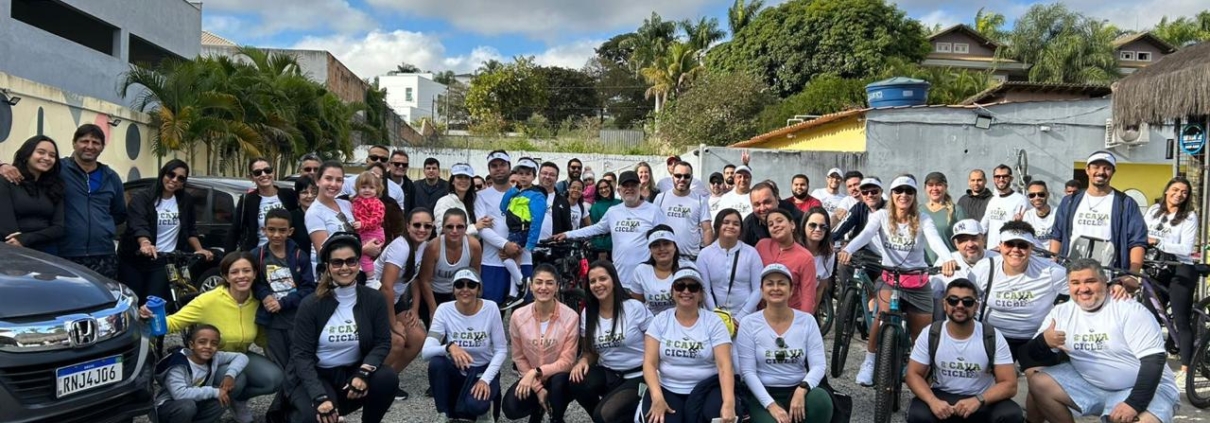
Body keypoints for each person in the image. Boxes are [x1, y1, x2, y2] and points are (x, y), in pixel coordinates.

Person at [838, 175, 958, 387]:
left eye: (908, 191)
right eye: (898, 191)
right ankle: (870, 361)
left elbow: (934, 240)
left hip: (917, 280)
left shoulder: (923, 219)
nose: (903, 195)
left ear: (914, 195)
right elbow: (866, 234)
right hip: (890, 278)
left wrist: (948, 258)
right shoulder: (882, 216)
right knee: (881, 317)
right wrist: (848, 249)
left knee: (921, 336)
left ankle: (920, 371)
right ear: (891, 195)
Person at [1026, 259, 1179, 423]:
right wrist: (1044, 341)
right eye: (1075, 283)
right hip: (1091, 386)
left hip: (1145, 388)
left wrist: (1134, 403)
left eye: (1090, 281)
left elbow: (1154, 361)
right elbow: (1029, 355)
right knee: (1039, 383)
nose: (1083, 289)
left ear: (1105, 282)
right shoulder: (1061, 313)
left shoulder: (1128, 310)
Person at [139, 252, 284, 423]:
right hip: (211, 359)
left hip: (239, 355)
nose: (241, 276)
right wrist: (147, 316)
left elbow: (261, 339)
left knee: (275, 378)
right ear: (225, 276)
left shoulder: (257, 301)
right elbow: (172, 323)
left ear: (254, 274)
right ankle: (210, 407)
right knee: (238, 380)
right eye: (235, 272)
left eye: (246, 271)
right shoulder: (208, 300)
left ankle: (236, 400)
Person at [289, 233, 397, 423]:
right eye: (337, 263)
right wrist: (319, 396)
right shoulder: (311, 304)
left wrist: (364, 373)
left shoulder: (374, 299)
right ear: (328, 267)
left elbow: (382, 342)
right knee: (314, 417)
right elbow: (301, 355)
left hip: (352, 372)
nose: (345, 267)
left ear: (359, 264)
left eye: (351, 261)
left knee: (387, 378)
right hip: (319, 374)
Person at [0, 124, 126, 278]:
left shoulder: (111, 177)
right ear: (74, 143)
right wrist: (3, 165)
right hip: (65, 253)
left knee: (104, 299)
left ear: (102, 147)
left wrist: (103, 226)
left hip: (104, 253)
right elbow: (28, 168)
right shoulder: (58, 170)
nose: (90, 146)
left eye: (96, 143)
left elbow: (119, 213)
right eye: (84, 141)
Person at [904, 279, 1022, 423]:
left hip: (980, 400)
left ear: (976, 306)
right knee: (917, 414)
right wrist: (932, 401)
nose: (960, 305)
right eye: (953, 300)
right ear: (944, 304)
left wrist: (979, 400)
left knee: (1011, 414)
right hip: (942, 398)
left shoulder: (991, 335)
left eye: (967, 302)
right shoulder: (931, 333)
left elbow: (1010, 384)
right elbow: (912, 375)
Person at [736, 264, 834, 423]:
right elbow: (747, 372)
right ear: (761, 291)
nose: (776, 288)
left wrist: (802, 389)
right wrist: (771, 405)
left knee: (821, 401)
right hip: (764, 392)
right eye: (770, 284)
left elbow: (819, 365)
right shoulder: (749, 323)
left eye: (781, 283)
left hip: (798, 386)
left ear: (791, 289)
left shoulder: (807, 321)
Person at [640, 267, 738, 423]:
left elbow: (724, 365)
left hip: (707, 388)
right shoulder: (660, 320)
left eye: (693, 287)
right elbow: (649, 363)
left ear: (700, 295)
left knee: (719, 416)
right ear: (672, 292)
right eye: (680, 286)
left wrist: (729, 402)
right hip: (668, 387)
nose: (686, 291)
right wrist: (657, 397)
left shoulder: (714, 322)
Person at [249, 208, 316, 421]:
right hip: (272, 323)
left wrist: (284, 302)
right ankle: (286, 409)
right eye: (271, 230)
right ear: (264, 229)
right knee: (281, 367)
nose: (276, 235)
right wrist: (265, 296)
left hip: (295, 320)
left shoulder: (299, 255)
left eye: (282, 230)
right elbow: (255, 283)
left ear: (291, 231)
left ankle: (281, 410)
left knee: (295, 366)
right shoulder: (257, 255)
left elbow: (308, 287)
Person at [1050, 151, 1148, 295]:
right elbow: (1057, 235)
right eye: (1096, 167)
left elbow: (1137, 241)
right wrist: (1053, 264)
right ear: (1087, 170)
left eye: (1107, 168)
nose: (1101, 172)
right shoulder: (1070, 201)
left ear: (1113, 172)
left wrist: (1132, 275)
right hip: (1071, 277)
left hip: (1109, 280)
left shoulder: (1125, 203)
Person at [967, 221, 1066, 362]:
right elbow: (965, 299)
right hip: (994, 337)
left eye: (1022, 245)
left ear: (1032, 247)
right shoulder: (984, 268)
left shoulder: (1051, 271)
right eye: (1009, 244)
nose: (1015, 249)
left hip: (1035, 338)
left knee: (1038, 381)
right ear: (1000, 246)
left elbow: (1080, 289)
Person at [118, 160, 213, 304]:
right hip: (134, 260)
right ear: (163, 174)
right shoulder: (142, 198)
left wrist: (200, 250)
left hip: (163, 261)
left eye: (180, 178)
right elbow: (138, 224)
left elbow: (190, 229)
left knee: (154, 303)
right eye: (171, 174)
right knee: (132, 302)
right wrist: (145, 243)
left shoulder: (185, 200)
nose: (174, 180)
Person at [553, 170, 666, 291]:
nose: (629, 189)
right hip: (620, 278)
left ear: (639, 187)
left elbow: (665, 240)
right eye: (625, 186)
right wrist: (567, 234)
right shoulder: (613, 211)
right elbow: (595, 228)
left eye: (633, 185)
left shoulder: (654, 211)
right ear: (619, 190)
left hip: (646, 278)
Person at [569, 261, 653, 423]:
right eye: (592, 281)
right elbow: (591, 351)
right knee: (576, 381)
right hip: (609, 374)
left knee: (603, 415)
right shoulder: (588, 313)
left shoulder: (634, 307)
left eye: (603, 279)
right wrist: (583, 360)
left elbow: (655, 343)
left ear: (613, 281)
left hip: (639, 375)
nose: (598, 284)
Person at [422, 268, 509, 422]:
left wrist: (486, 379)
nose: (465, 289)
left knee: (475, 406)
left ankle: (486, 409)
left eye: (471, 285)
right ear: (453, 290)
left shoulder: (491, 308)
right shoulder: (444, 310)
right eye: (460, 285)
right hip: (457, 370)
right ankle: (443, 414)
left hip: (482, 371)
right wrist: (449, 347)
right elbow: (426, 352)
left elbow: (501, 350)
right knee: (437, 362)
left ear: (479, 289)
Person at [503, 264, 579, 423]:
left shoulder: (571, 317)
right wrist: (537, 389)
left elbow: (568, 362)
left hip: (559, 378)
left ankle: (556, 418)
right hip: (533, 378)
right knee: (510, 407)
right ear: (531, 286)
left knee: (558, 384)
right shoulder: (518, 316)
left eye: (549, 283)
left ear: (557, 287)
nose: (543, 287)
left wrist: (536, 371)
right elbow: (519, 357)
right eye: (539, 282)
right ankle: (539, 407)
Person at [373, 208, 433, 400]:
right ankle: (367, 383)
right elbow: (386, 288)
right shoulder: (401, 247)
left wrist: (414, 308)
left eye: (427, 226)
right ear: (407, 226)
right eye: (416, 225)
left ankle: (387, 381)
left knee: (417, 337)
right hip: (375, 299)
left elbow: (413, 278)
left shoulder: (422, 246)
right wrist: (393, 324)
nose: (422, 229)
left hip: (396, 300)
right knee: (397, 340)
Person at [1145, 177, 1199, 384]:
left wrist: (1158, 242)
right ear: (1167, 190)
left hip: (1180, 268)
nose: (1179, 194)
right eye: (1175, 189)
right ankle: (1151, 362)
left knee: (1180, 319)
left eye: (1184, 192)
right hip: (1156, 267)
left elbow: (1185, 249)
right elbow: (1141, 234)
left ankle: (1186, 369)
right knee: (1149, 318)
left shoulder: (1189, 217)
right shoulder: (1153, 211)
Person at [154, 324, 248, 423]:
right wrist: (215, 392)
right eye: (202, 342)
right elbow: (179, 394)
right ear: (191, 345)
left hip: (195, 402)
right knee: (187, 406)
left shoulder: (215, 357)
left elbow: (241, 357)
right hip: (170, 406)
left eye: (214, 343)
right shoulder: (178, 364)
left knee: (223, 398)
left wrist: (230, 375)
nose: (208, 347)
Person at [476, 150, 534, 305]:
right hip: (493, 262)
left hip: (522, 259)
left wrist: (520, 246)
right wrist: (506, 245)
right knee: (491, 310)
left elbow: (534, 222)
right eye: (494, 165)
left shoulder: (525, 194)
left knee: (525, 314)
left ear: (510, 167)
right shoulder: (481, 196)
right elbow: (482, 228)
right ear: (489, 170)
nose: (498, 168)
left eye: (502, 164)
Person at [306, 161, 382, 272]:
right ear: (318, 180)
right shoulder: (314, 212)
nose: (333, 184)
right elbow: (324, 252)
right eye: (328, 178)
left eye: (339, 180)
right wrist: (364, 249)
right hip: (333, 275)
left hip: (356, 271)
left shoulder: (346, 204)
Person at [419, 208, 483, 329]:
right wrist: (434, 310)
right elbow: (424, 280)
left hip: (458, 294)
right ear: (442, 228)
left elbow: (475, 276)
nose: (455, 231)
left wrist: (473, 304)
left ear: (466, 228)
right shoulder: (433, 247)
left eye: (459, 227)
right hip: (434, 294)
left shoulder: (473, 245)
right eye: (449, 227)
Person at [698, 208, 765, 322]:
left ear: (740, 230)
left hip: (746, 318)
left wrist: (740, 318)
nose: (731, 226)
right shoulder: (705, 254)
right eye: (726, 222)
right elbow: (704, 290)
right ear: (718, 226)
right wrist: (718, 316)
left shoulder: (751, 253)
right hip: (714, 318)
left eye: (736, 224)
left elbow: (758, 289)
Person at [0, 135, 64, 253]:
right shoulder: (7, 181)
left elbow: (59, 228)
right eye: (41, 152)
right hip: (13, 250)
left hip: (47, 252)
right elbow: (6, 227)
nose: (47, 158)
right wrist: (19, 241)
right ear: (27, 154)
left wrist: (26, 238)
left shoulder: (55, 186)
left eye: (52, 155)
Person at [755, 208, 819, 314]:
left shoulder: (805, 258)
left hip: (790, 315)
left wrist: (802, 322)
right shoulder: (761, 246)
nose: (775, 225)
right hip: (761, 314)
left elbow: (808, 297)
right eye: (770, 224)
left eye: (779, 221)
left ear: (792, 225)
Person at [228, 158, 298, 252]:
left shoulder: (289, 194)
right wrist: (228, 259)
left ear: (273, 173)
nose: (264, 175)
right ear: (252, 177)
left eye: (267, 170)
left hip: (287, 253)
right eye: (258, 172)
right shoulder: (248, 200)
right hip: (257, 254)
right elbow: (235, 230)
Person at [501, 157, 548, 296]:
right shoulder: (517, 192)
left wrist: (530, 243)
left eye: (527, 174)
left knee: (507, 259)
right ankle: (513, 293)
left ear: (534, 176)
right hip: (513, 232)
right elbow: (503, 207)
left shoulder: (537, 195)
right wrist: (514, 189)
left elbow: (537, 220)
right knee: (514, 263)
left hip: (523, 232)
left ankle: (521, 282)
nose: (523, 177)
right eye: (521, 173)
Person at [652, 161, 713, 260]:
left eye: (686, 176)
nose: (682, 179)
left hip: (691, 258)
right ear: (672, 177)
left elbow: (707, 229)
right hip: (665, 259)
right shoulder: (660, 198)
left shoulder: (700, 200)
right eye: (678, 175)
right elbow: (652, 226)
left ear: (691, 178)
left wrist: (708, 255)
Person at [630, 226, 690, 316]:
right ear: (650, 250)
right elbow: (637, 306)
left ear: (674, 247)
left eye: (666, 243)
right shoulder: (641, 271)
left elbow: (696, 301)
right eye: (656, 245)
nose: (661, 248)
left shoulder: (687, 268)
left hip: (683, 320)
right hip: (652, 323)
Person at [798, 207, 837, 316]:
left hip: (809, 307)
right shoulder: (794, 250)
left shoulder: (829, 254)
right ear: (804, 226)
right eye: (812, 225)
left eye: (823, 226)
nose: (818, 229)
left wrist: (809, 315)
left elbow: (820, 290)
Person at [920, 172, 966, 264]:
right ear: (925, 188)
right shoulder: (918, 210)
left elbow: (965, 240)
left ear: (945, 187)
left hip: (947, 265)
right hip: (921, 266)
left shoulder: (956, 211)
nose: (934, 188)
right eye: (930, 185)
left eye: (939, 185)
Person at [343, 145, 406, 211]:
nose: (378, 161)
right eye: (374, 158)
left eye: (383, 159)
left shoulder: (397, 190)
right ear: (367, 160)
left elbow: (399, 217)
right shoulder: (348, 183)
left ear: (388, 164)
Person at [434, 162, 489, 237]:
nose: (463, 180)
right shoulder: (444, 202)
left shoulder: (475, 201)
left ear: (471, 182)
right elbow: (443, 232)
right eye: (459, 177)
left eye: (467, 177)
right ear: (453, 181)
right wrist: (475, 227)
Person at [741, 182, 804, 246]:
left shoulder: (793, 213)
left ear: (777, 199)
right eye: (757, 204)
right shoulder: (748, 224)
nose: (762, 208)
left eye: (767, 202)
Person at [980, 165, 1029, 247]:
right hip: (992, 250)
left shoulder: (1021, 200)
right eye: (997, 176)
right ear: (993, 179)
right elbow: (983, 226)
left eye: (1005, 176)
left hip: (1009, 249)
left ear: (1011, 178)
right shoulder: (992, 200)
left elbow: (1019, 229)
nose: (1001, 179)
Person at [352, 172, 388, 274]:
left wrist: (363, 224)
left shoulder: (376, 203)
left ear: (377, 189)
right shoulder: (356, 201)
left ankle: (370, 278)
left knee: (364, 257)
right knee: (360, 256)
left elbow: (377, 219)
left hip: (373, 233)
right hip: (363, 234)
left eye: (371, 187)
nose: (367, 190)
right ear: (358, 188)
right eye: (363, 187)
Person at [831, 176, 884, 243]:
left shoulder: (890, 209)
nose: (869, 195)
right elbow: (841, 228)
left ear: (881, 192)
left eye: (874, 191)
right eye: (865, 192)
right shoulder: (859, 208)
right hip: (864, 249)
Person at [538, 161, 575, 239]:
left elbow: (567, 228)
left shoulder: (563, 201)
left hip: (552, 248)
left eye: (552, 175)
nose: (547, 177)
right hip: (527, 248)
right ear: (538, 175)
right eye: (544, 173)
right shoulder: (527, 195)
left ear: (557, 178)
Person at [588, 178, 620, 260]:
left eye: (606, 187)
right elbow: (596, 230)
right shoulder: (595, 207)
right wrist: (601, 250)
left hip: (620, 245)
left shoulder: (619, 202)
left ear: (610, 188)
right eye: (601, 188)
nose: (604, 190)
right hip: (605, 248)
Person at [1021, 181, 1055, 250]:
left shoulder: (1057, 213)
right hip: (1035, 256)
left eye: (1041, 194)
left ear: (1048, 195)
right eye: (1032, 195)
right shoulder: (1028, 215)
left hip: (1053, 256)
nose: (1036, 198)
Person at [291, 176, 318, 258]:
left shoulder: (325, 215)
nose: (310, 196)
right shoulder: (291, 217)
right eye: (304, 192)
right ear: (297, 197)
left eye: (313, 192)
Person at [386, 149, 417, 213]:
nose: (401, 166)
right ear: (389, 164)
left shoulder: (410, 186)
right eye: (397, 164)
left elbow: (412, 210)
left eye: (404, 164)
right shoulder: (381, 183)